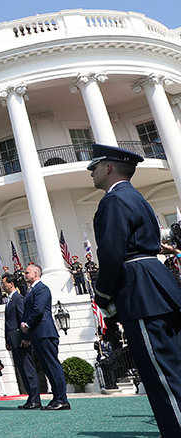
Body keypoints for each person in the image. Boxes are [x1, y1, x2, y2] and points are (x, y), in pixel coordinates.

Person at [89, 143, 181, 436]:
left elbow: (113, 252)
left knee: (161, 374)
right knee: (174, 366)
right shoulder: (136, 197)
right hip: (156, 284)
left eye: (95, 166)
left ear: (108, 167)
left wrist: (102, 294)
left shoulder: (114, 200)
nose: (91, 171)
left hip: (139, 289)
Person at [20, 264, 69, 410]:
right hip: (38, 334)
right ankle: (56, 398)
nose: (25, 275)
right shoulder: (32, 290)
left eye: (27, 273)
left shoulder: (42, 288)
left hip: (45, 332)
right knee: (47, 367)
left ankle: (62, 400)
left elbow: (38, 310)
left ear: (36, 274)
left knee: (53, 365)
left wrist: (27, 325)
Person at [2, 272, 40, 409]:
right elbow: (9, 322)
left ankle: (35, 399)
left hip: (21, 340)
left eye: (4, 283)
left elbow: (23, 319)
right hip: (14, 341)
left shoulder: (18, 299)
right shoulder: (10, 300)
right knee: (22, 370)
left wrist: (26, 338)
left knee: (28, 369)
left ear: (11, 284)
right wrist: (7, 340)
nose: (2, 286)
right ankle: (31, 398)